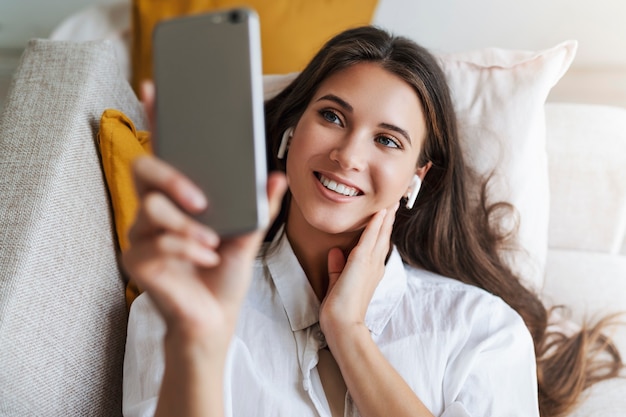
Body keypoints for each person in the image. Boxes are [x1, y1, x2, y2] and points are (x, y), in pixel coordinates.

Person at [122, 26, 622, 417]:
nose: (347, 155)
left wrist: (349, 333)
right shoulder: (180, 312)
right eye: (333, 117)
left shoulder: (482, 331)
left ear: (415, 178)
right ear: (291, 133)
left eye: (388, 140)